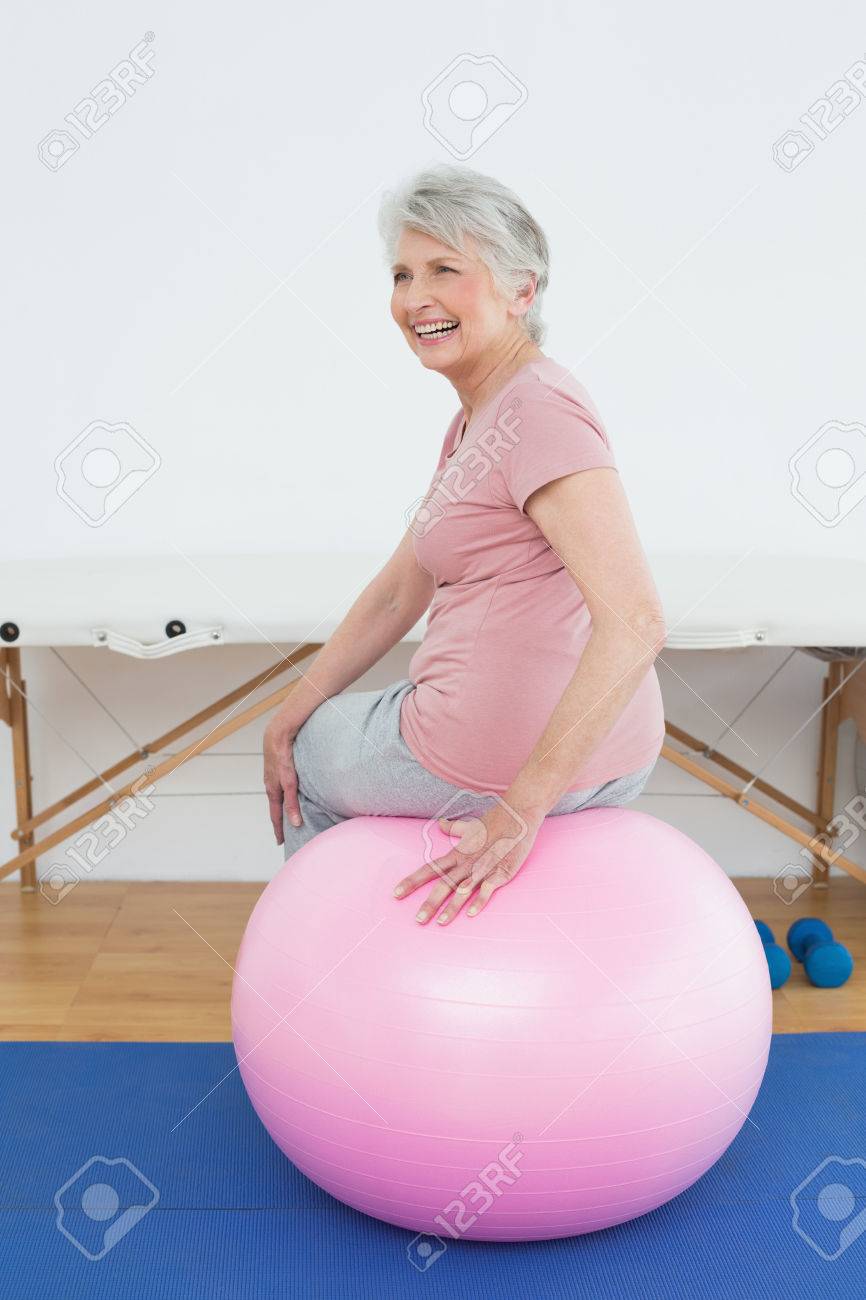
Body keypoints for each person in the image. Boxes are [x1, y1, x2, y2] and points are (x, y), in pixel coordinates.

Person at [263, 163, 667, 926]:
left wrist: (519, 811)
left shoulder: (538, 411)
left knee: (316, 754)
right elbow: (398, 589)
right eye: (403, 274)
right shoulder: (482, 417)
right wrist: (289, 706)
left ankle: (340, 956)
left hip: (487, 760)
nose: (416, 299)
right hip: (613, 753)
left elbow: (638, 621)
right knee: (307, 721)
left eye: (446, 270)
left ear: (523, 291)